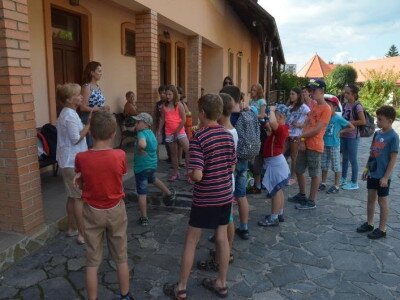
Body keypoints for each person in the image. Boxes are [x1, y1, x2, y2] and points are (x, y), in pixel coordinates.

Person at [163, 94, 236, 299]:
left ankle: (181, 288)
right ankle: (221, 283)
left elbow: (198, 174)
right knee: (222, 238)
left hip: (205, 198)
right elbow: (231, 165)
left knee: (191, 239)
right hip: (224, 196)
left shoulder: (199, 138)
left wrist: (189, 174)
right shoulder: (228, 136)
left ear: (202, 113)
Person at [74, 111, 133, 300]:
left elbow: (83, 180)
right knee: (121, 256)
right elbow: (118, 175)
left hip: (92, 211)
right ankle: (125, 295)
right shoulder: (120, 155)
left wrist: (81, 179)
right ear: (113, 133)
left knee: (92, 261)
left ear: (91, 132)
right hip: (116, 209)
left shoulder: (81, 158)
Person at [198, 92, 238, 271]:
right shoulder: (229, 133)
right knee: (223, 225)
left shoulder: (226, 133)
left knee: (225, 225)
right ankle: (223, 254)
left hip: (220, 185)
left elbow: (229, 166)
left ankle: (225, 254)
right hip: (225, 183)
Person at [220, 85, 260, 240]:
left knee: (228, 197)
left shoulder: (230, 116)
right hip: (244, 157)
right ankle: (244, 227)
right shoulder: (248, 112)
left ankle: (224, 229)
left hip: (232, 161)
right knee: (241, 195)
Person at [288, 79, 331, 210]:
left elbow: (317, 129)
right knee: (299, 169)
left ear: (322, 91)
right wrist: (302, 140)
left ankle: (311, 201)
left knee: (314, 173)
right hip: (305, 143)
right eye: (310, 90)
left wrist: (301, 137)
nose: (311, 93)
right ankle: (302, 194)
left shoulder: (326, 109)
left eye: (314, 90)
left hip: (315, 145)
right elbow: (307, 122)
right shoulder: (314, 105)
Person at [357, 105, 399, 239]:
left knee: (382, 201)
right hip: (373, 173)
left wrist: (386, 177)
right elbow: (372, 153)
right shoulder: (377, 133)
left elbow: (393, 159)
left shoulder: (393, 137)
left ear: (390, 120)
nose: (377, 122)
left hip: (383, 176)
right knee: (370, 199)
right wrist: (366, 169)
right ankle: (370, 223)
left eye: (380, 119)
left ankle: (382, 229)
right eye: (377, 119)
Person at [56, 83, 90, 245]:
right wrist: (90, 124)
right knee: (78, 198)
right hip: (71, 161)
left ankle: (71, 228)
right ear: (70, 99)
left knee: (72, 196)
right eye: (78, 94)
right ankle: (82, 234)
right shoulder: (69, 115)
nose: (81, 96)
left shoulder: (69, 113)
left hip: (69, 160)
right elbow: (76, 138)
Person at [131, 112, 177, 226]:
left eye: (138, 122)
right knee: (152, 179)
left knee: (142, 193)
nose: (136, 124)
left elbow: (142, 144)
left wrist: (141, 148)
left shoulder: (141, 133)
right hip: (151, 165)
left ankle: (144, 217)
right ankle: (169, 193)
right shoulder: (151, 133)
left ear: (146, 124)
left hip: (141, 167)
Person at [258, 104, 290, 226]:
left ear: (280, 116)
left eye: (275, 114)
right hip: (276, 162)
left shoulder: (281, 128)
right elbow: (270, 124)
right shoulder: (281, 128)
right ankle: (279, 213)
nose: (272, 116)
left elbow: (272, 122)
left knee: (275, 191)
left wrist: (271, 110)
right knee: (278, 189)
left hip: (275, 163)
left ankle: (274, 217)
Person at [319, 96, 354, 194]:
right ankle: (323, 183)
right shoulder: (324, 117)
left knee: (336, 166)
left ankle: (336, 186)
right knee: (324, 165)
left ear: (334, 107)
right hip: (324, 144)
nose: (327, 107)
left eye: (329, 105)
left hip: (334, 145)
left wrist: (341, 131)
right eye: (326, 105)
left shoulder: (338, 118)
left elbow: (351, 127)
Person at [158, 85, 190, 181]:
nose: (167, 96)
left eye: (169, 94)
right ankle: (176, 173)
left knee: (188, 150)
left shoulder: (179, 105)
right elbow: (163, 119)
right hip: (169, 133)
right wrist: (159, 130)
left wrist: (177, 131)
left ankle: (188, 173)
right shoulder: (164, 106)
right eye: (166, 94)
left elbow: (184, 119)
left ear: (174, 94)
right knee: (173, 154)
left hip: (179, 131)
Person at [340, 84, 366, 190]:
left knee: (353, 159)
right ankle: (343, 178)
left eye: (348, 93)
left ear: (354, 94)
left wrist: (349, 122)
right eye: (345, 92)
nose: (345, 95)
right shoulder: (345, 105)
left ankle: (354, 182)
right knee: (344, 158)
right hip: (344, 134)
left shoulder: (357, 106)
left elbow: (362, 121)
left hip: (353, 136)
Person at [285, 87, 310, 185]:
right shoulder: (289, 106)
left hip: (296, 135)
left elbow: (311, 118)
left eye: (293, 94)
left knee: (294, 156)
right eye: (290, 94)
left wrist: (301, 125)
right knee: (283, 155)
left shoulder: (304, 107)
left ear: (298, 95)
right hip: (287, 133)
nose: (290, 96)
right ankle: (284, 174)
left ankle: (293, 177)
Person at [81, 61, 107, 148]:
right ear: (92, 72)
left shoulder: (97, 86)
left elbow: (99, 105)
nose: (101, 73)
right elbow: (82, 107)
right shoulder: (87, 87)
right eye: (99, 71)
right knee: (92, 146)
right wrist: (99, 109)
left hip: (98, 120)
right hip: (89, 120)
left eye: (101, 71)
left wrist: (104, 108)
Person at [248, 83, 267, 194]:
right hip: (252, 128)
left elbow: (263, 115)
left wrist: (252, 116)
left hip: (260, 128)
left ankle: (259, 183)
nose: (252, 92)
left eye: (254, 90)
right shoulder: (251, 102)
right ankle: (255, 181)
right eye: (251, 90)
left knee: (259, 156)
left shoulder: (261, 102)